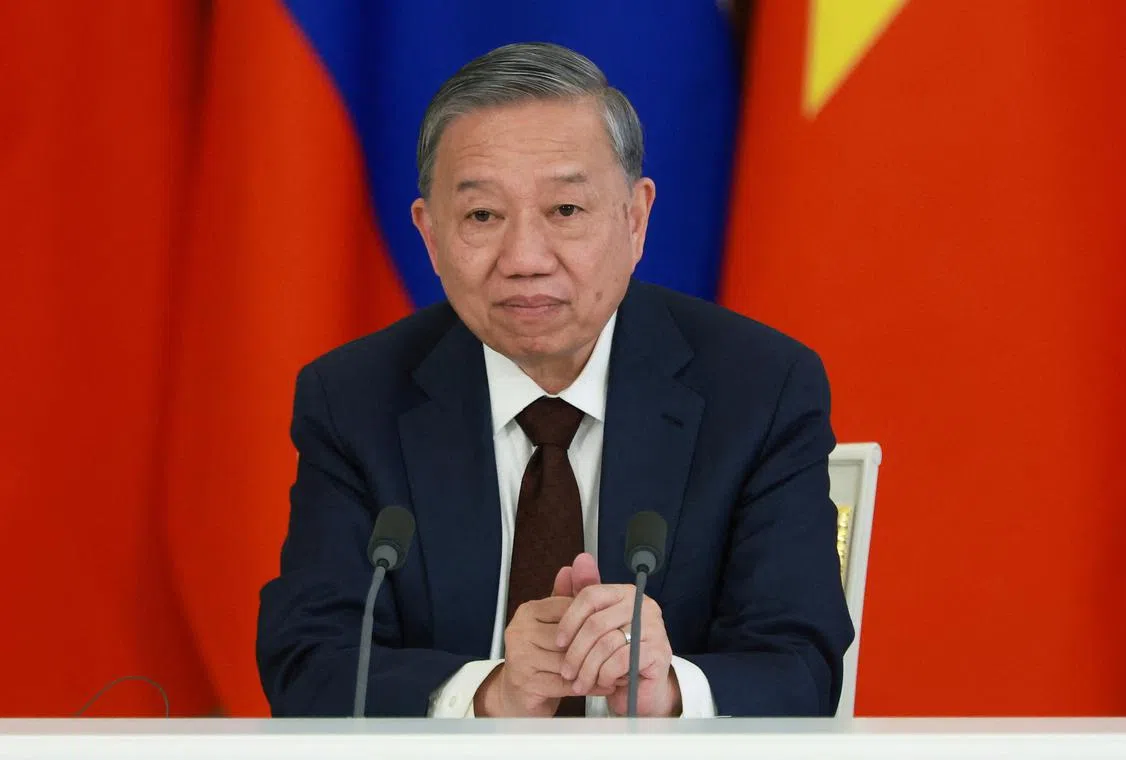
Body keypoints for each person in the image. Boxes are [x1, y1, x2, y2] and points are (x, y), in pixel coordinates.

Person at [256, 42, 853, 718]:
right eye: (483, 216)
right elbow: (309, 662)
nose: (525, 259)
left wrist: (670, 691)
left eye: (565, 211)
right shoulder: (355, 398)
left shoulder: (759, 389)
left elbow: (801, 665)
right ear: (430, 235)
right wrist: (490, 694)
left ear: (634, 219)